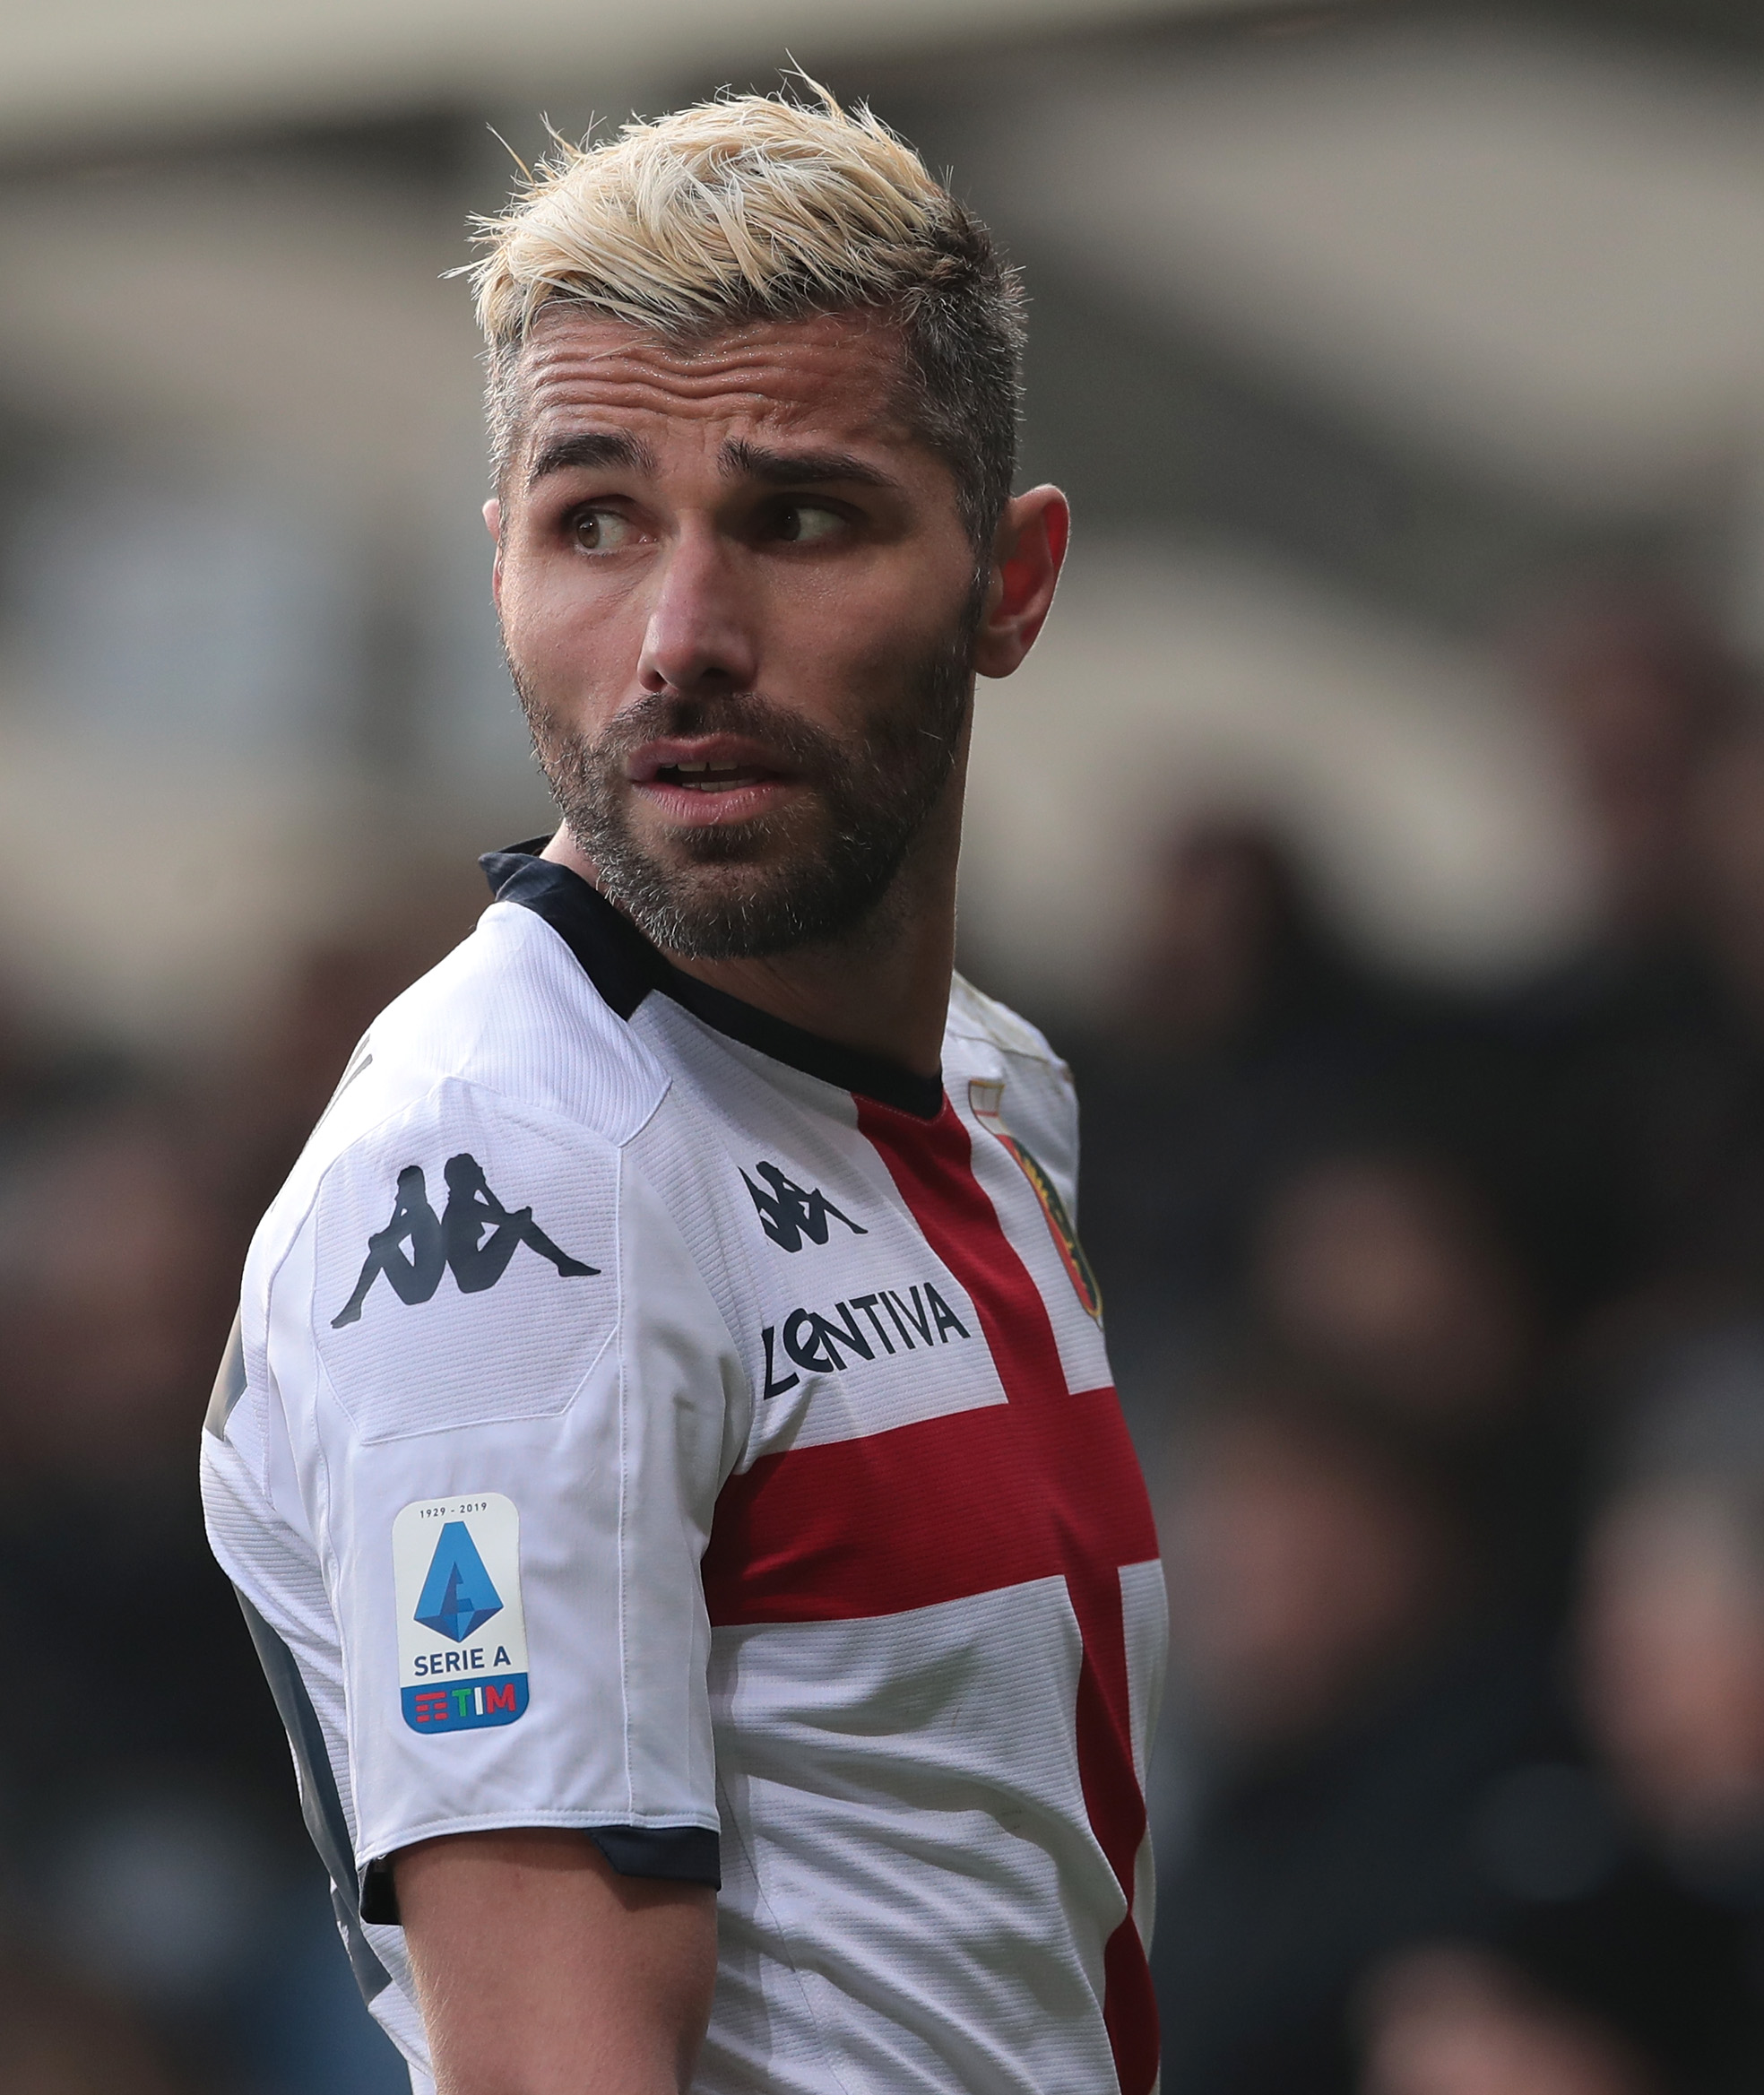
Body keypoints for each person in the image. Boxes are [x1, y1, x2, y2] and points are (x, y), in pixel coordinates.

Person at [198, 91, 1164, 2095]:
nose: (680, 639)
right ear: (497, 567)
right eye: (595, 521)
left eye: (799, 518)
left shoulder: (993, 1084)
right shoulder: (507, 1181)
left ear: (1012, 579)